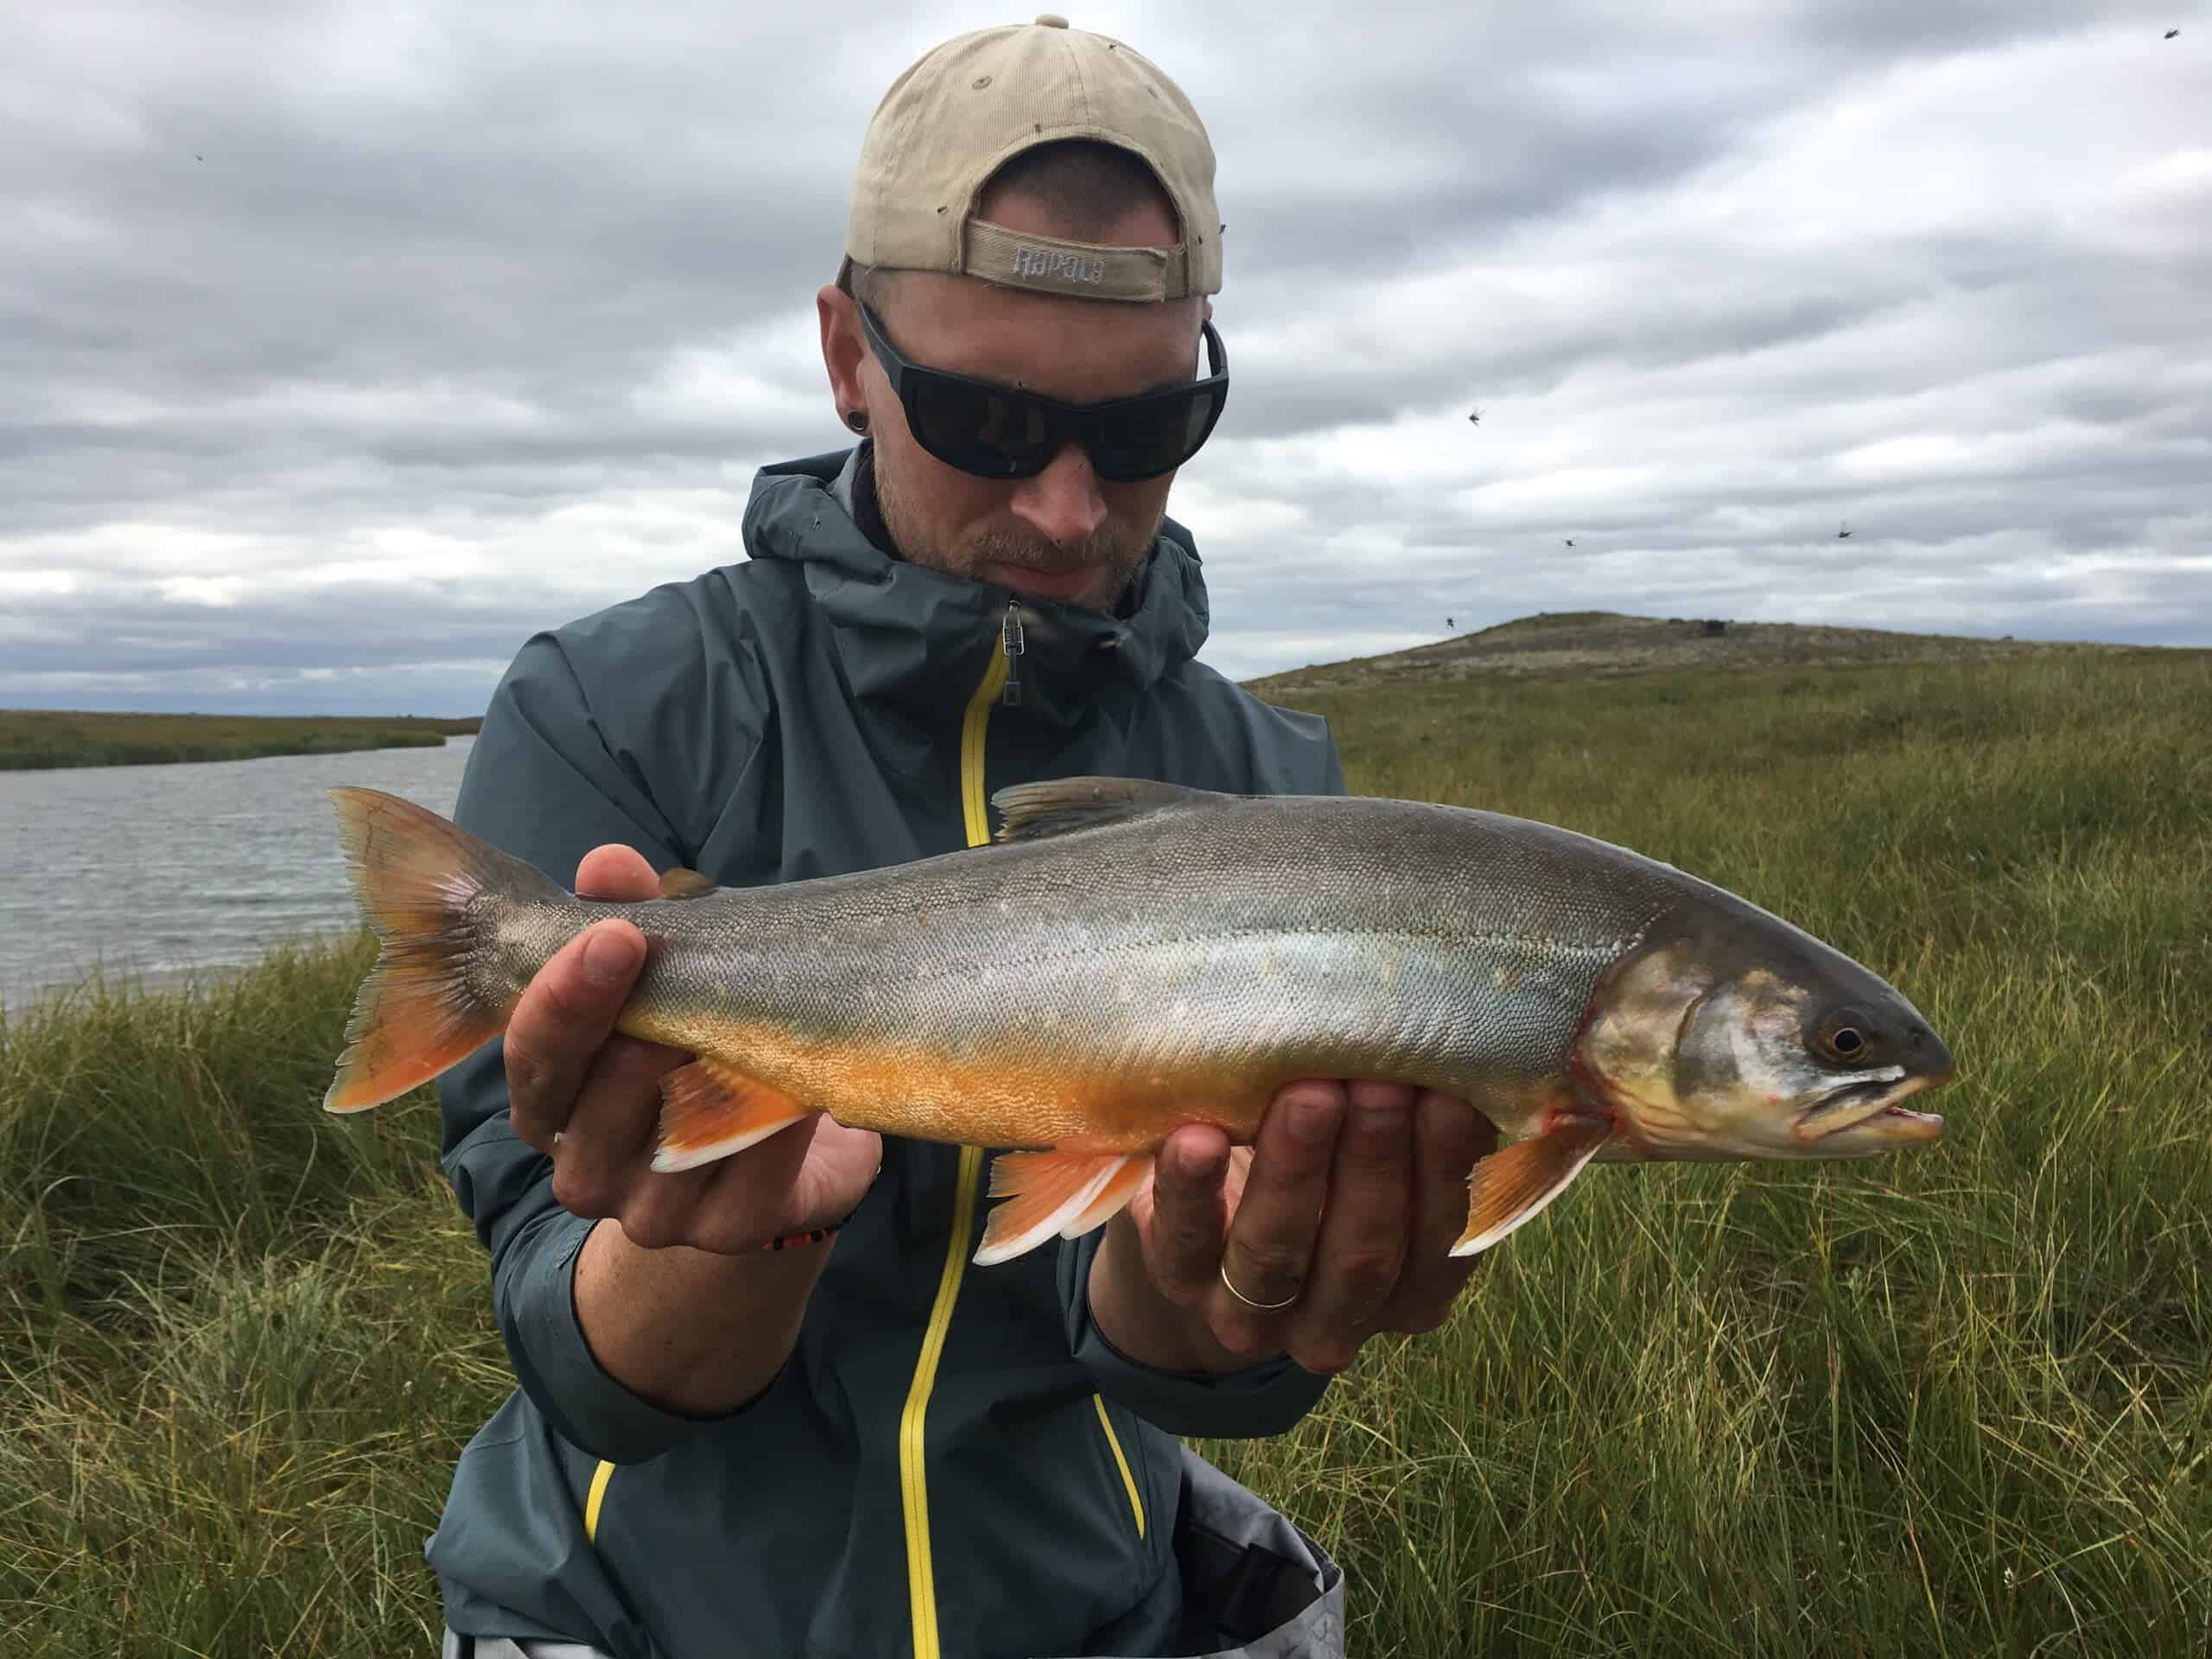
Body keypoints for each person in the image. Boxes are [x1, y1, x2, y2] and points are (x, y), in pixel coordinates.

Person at [426, 17, 1495, 1658]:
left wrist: (1218, 1293)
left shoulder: (1266, 782)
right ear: (848, 356)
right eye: (990, 421)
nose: (1068, 506)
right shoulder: (611, 707)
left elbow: (1176, 1359)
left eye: (1142, 431)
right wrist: (742, 1228)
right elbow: (587, 1368)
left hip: (1097, 1614)